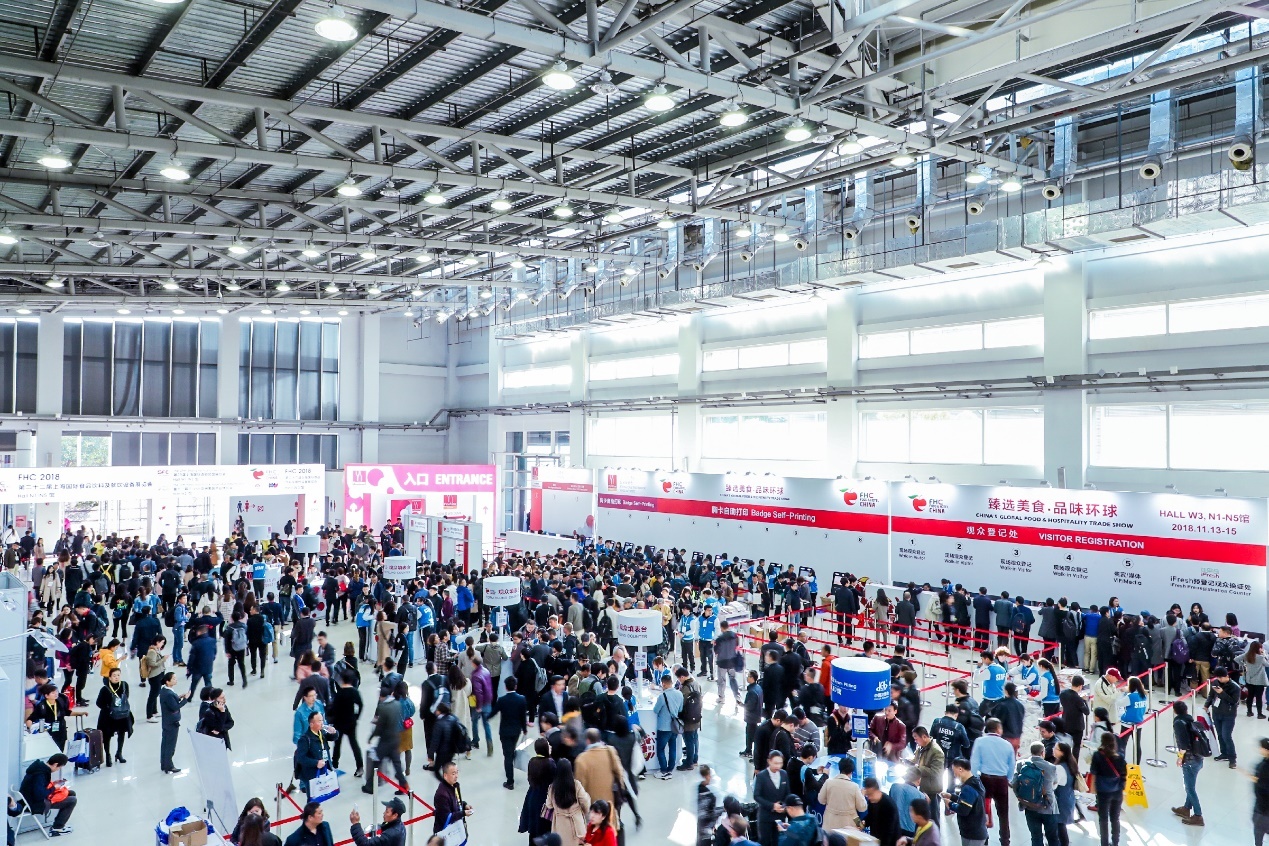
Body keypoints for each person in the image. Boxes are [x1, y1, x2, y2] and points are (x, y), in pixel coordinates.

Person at [969, 718, 1015, 845]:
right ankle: (1005, 840)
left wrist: (976, 778)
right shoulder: (1007, 744)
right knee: (1003, 813)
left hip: (985, 779)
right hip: (1001, 781)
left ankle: (984, 839)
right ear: (998, 729)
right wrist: (1008, 779)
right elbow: (1012, 766)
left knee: (983, 810)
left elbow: (974, 762)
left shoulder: (980, 741)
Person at [573, 728, 626, 836]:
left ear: (587, 741)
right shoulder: (610, 751)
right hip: (610, 804)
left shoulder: (581, 760)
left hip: (593, 809)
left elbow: (579, 789)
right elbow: (620, 774)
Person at [1011, 742, 1059, 846]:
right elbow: (1055, 783)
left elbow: (1014, 783)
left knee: (1036, 836)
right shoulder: (1051, 767)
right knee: (1052, 837)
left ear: (1031, 752)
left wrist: (1022, 796)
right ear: (1043, 753)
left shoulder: (1021, 764)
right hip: (1048, 806)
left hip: (1030, 805)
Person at [364, 687, 408, 796]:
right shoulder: (397, 704)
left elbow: (379, 727)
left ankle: (370, 786)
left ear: (381, 696)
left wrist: (371, 737)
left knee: (376, 762)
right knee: (397, 764)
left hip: (385, 741)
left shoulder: (383, 708)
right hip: (396, 738)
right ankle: (403, 785)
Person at [19, 753, 75, 836]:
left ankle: (59, 824)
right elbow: (39, 795)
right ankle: (57, 828)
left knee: (71, 793)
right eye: (59, 768)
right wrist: (54, 788)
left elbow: (39, 788)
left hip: (30, 797)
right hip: (34, 803)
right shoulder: (40, 775)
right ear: (56, 764)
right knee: (72, 800)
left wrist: (54, 785)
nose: (58, 770)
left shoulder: (39, 768)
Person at [1170, 700, 1204, 826]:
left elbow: (1183, 744)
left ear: (1175, 711)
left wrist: (1180, 757)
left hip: (1189, 760)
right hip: (1198, 757)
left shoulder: (1179, 723)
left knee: (1189, 788)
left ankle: (1198, 815)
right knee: (1191, 785)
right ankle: (1186, 808)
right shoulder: (1191, 720)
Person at [1088, 732, 1126, 846]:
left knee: (1103, 819)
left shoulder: (1098, 755)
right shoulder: (1120, 756)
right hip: (1117, 790)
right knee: (1115, 818)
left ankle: (1104, 843)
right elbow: (1124, 774)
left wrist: (1092, 787)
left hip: (1103, 791)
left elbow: (1093, 772)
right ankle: (1115, 842)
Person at [543, 758, 592, 846]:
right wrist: (583, 812)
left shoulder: (552, 787)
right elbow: (585, 801)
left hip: (560, 824)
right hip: (576, 823)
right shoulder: (576, 785)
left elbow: (549, 805)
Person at [492, 675, 529, 789]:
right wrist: (524, 728)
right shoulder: (521, 699)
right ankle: (510, 767)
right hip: (516, 731)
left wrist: (486, 715)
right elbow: (523, 716)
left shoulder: (502, 700)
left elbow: (494, 712)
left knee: (507, 756)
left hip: (505, 732)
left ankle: (510, 781)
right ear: (516, 686)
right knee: (512, 750)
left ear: (506, 687)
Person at [519, 738, 557, 844]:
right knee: (543, 827)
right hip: (545, 798)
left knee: (533, 828)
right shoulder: (550, 763)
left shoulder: (532, 761)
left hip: (532, 796)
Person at [942, 759, 987, 846]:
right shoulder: (976, 781)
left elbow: (963, 810)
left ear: (960, 769)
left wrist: (950, 804)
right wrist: (952, 797)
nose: (954, 775)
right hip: (979, 829)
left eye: (954, 772)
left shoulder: (968, 788)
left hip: (972, 834)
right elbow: (969, 801)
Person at [94, 665, 133, 766]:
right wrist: (108, 708)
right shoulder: (105, 689)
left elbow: (126, 697)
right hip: (109, 716)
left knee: (122, 733)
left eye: (118, 675)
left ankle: (119, 753)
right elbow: (98, 703)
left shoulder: (124, 685)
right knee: (107, 736)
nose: (117, 677)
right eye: (114, 675)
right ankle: (108, 755)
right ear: (109, 677)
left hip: (122, 714)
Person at [1204, 664, 1241, 767]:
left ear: (1226, 676)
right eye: (1217, 677)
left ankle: (1232, 758)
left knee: (1226, 736)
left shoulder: (1235, 687)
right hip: (1216, 712)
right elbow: (1211, 695)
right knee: (1220, 734)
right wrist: (1206, 705)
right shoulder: (1215, 682)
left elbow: (1234, 701)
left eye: (1221, 677)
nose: (1219, 679)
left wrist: (1222, 693)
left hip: (1228, 715)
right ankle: (1224, 753)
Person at [754, 751, 791, 846]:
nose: (778, 766)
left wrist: (783, 805)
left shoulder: (784, 774)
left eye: (780, 763)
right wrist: (772, 806)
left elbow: (788, 794)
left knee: (777, 841)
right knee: (765, 842)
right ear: (769, 761)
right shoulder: (761, 776)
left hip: (780, 817)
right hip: (765, 817)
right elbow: (756, 796)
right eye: (775, 763)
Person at [819, 756, 866, 830]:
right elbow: (862, 808)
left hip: (829, 822)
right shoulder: (855, 787)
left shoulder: (829, 782)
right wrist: (862, 795)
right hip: (849, 825)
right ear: (851, 771)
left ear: (839, 768)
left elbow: (821, 800)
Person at [159, 671, 192, 773]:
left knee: (165, 743)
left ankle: (164, 763)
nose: (175, 680)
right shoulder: (168, 694)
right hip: (171, 722)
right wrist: (185, 699)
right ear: (167, 681)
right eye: (173, 678)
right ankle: (169, 766)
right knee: (170, 745)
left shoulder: (165, 691)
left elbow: (171, 701)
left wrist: (178, 697)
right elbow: (175, 707)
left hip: (166, 722)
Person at [652, 672, 683, 779]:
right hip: (674, 727)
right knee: (672, 748)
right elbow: (680, 709)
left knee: (660, 749)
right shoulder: (679, 694)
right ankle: (670, 769)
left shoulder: (662, 696)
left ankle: (663, 770)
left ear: (664, 684)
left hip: (663, 727)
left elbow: (655, 710)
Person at [25, 683, 69, 750]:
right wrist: (29, 727)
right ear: (47, 696)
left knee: (61, 748)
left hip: (61, 730)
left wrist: (80, 713)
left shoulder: (60, 701)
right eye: (53, 693)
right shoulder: (42, 706)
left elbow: (66, 712)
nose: (56, 694)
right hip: (49, 731)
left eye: (56, 692)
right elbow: (32, 718)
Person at [1050, 743, 1079, 846]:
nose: (1053, 749)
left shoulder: (1059, 768)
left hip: (1060, 800)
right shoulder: (1071, 764)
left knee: (1059, 827)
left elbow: (1052, 785)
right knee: (1061, 826)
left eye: (1056, 748)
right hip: (1068, 798)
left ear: (1062, 752)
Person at [433, 761, 472, 835]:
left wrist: (464, 805)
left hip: (457, 828)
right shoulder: (442, 795)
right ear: (445, 776)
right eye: (453, 774)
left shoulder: (455, 786)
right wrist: (463, 813)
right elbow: (447, 817)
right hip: (446, 832)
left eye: (457, 772)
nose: (456, 776)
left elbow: (455, 803)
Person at [863, 777, 901, 846]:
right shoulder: (872, 802)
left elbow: (889, 831)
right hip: (875, 839)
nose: (869, 797)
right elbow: (870, 817)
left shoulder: (889, 804)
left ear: (877, 791)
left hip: (890, 842)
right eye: (867, 795)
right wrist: (863, 823)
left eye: (871, 794)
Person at [1241, 640, 1268, 719]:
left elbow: (1237, 659)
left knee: (1250, 696)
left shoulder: (1247, 655)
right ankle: (1259, 714)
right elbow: (1267, 664)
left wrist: (1244, 664)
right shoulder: (1261, 657)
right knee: (1259, 697)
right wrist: (1265, 655)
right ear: (1258, 648)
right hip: (1259, 680)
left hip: (1249, 679)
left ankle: (1249, 712)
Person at [743, 670, 763, 758]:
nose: (747, 677)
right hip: (757, 715)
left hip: (751, 717)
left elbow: (750, 706)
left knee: (750, 734)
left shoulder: (752, 692)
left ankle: (749, 751)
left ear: (752, 678)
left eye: (748, 676)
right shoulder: (758, 688)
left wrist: (743, 705)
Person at [1253, 737, 1269, 846]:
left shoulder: (1264, 767)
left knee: (1258, 832)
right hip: (1262, 806)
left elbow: (1263, 787)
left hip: (1263, 808)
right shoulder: (1264, 763)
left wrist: (1256, 780)